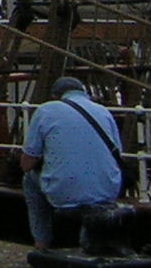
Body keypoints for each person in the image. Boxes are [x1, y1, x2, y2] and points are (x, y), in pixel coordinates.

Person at [20, 76, 122, 252]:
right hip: (109, 190)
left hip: (65, 194)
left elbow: (27, 163)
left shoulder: (45, 110)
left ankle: (41, 243)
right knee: (91, 196)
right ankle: (88, 243)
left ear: (55, 97)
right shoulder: (103, 111)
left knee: (29, 180)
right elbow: (117, 154)